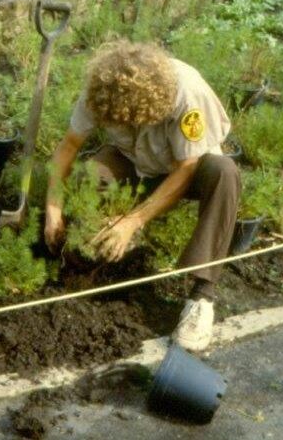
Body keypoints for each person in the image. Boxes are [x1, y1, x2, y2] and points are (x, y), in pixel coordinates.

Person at [43, 40, 240, 351]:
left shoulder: (187, 95)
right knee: (90, 175)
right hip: (135, 162)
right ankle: (89, 261)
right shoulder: (101, 91)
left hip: (185, 170)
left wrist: (133, 220)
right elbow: (68, 147)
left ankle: (202, 297)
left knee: (225, 173)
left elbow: (186, 169)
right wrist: (53, 208)